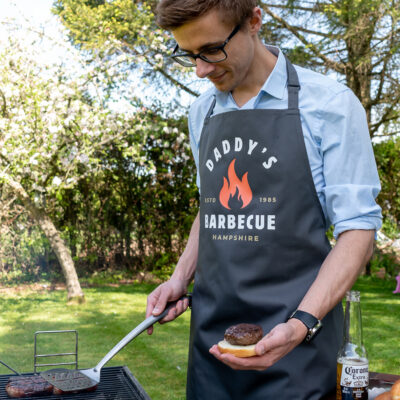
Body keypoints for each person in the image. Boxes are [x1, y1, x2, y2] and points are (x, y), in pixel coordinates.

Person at [146, 1, 382, 399]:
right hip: (211, 352)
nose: (201, 69)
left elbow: (358, 229)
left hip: (298, 348)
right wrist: (178, 278)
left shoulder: (329, 106)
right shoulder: (201, 112)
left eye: (211, 50)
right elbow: (212, 209)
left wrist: (302, 323)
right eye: (189, 55)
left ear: (254, 20)